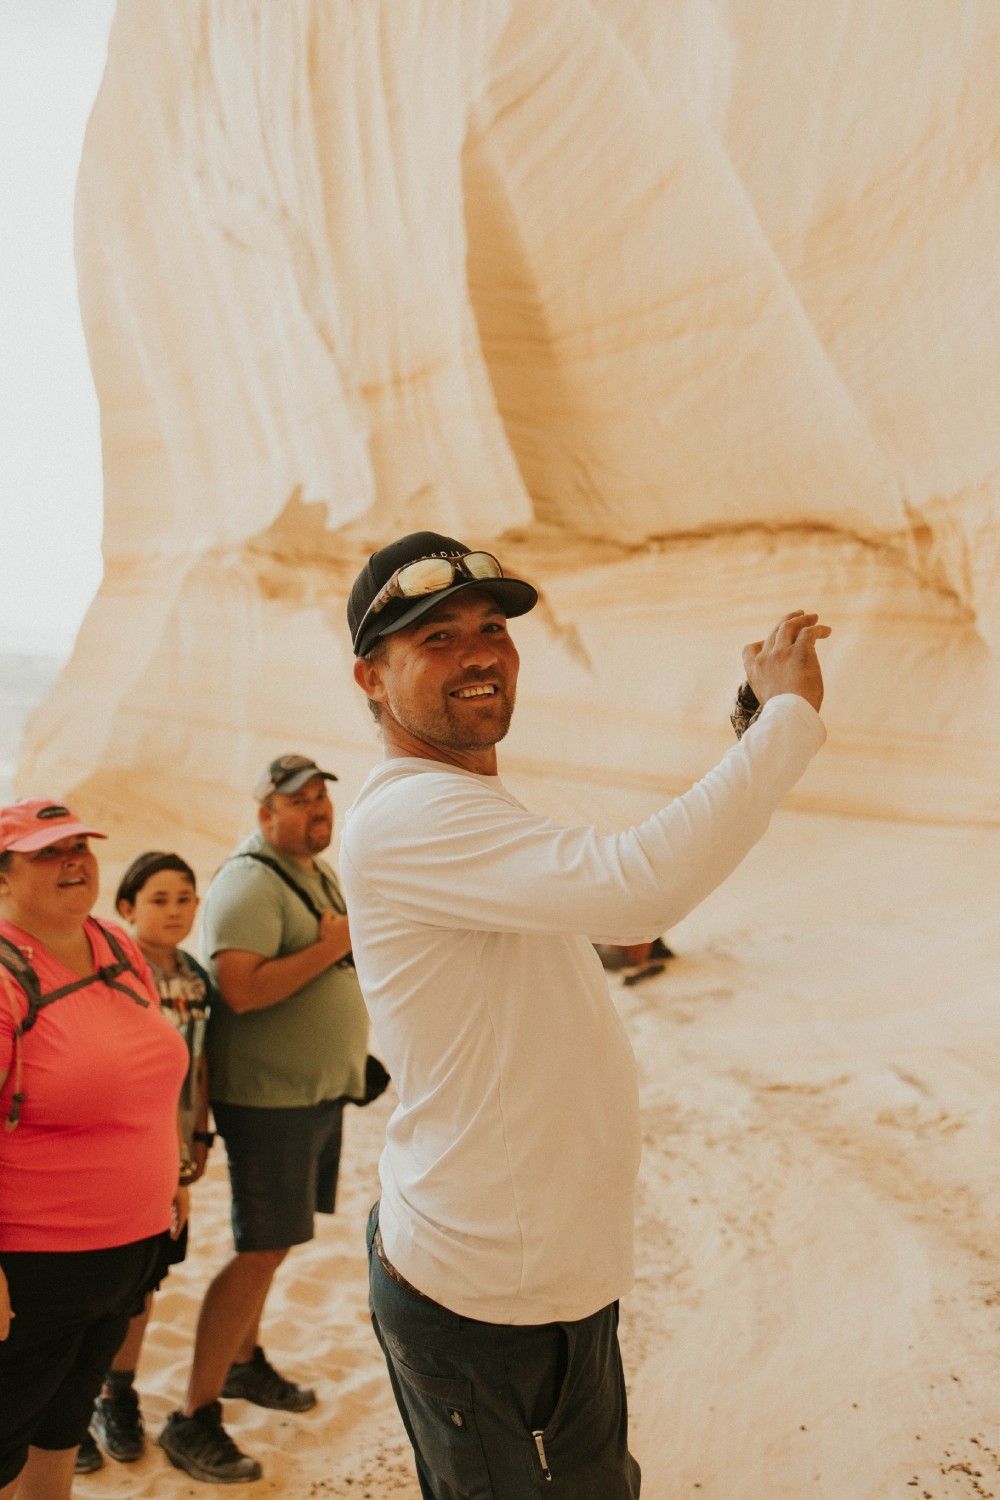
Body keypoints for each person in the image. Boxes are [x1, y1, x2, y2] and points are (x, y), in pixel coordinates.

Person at [341, 531, 831, 1498]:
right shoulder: (408, 817)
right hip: (474, 1290)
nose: (480, 652)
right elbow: (634, 893)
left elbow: (608, 901)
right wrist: (785, 721)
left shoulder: (467, 804)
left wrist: (743, 735)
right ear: (370, 676)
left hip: (559, 1282)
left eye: (492, 627)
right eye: (436, 637)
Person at [158, 755, 370, 1484]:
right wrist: (334, 945)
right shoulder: (250, 881)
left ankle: (244, 1364)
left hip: (311, 1094)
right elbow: (241, 991)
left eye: (321, 798)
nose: (317, 810)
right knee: (257, 1250)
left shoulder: (313, 870)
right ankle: (192, 1414)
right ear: (263, 813)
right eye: (298, 801)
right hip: (268, 1101)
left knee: (272, 1246)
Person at [0, 800, 188, 1500]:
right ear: (3, 877)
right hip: (33, 1274)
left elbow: (153, 1069)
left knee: (60, 1433)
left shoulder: (116, 943)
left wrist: (176, 1169)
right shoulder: (5, 973)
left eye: (80, 844)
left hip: (129, 1255)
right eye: (48, 850)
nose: (73, 858)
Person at [76, 852, 214, 1474]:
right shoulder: (111, 975)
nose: (175, 911)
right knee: (89, 1286)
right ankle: (70, 1410)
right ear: (126, 908)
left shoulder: (193, 975)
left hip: (172, 1154)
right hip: (116, 1155)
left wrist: (200, 1136)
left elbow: (200, 1061)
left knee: (144, 1280)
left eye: (184, 898)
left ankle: (117, 1393)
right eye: (159, 899)